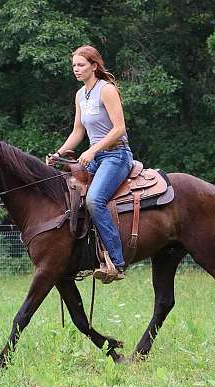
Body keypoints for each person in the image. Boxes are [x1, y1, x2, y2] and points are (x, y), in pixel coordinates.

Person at [47, 45, 133, 283]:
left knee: (95, 200)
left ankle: (116, 262)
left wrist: (93, 149)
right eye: (74, 65)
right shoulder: (80, 95)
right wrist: (59, 153)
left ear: (94, 66)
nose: (76, 69)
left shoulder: (106, 90)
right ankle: (83, 257)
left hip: (117, 156)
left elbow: (119, 129)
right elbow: (78, 131)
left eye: (81, 65)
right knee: (69, 195)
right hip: (95, 158)